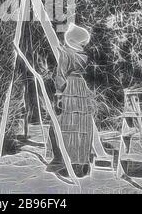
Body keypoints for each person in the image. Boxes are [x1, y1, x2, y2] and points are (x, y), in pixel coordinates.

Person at [46, 24, 93, 178]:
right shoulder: (83, 56)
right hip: (81, 88)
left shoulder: (66, 54)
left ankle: (65, 162)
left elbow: (60, 76)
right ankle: (81, 163)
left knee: (63, 123)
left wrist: (59, 94)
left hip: (69, 88)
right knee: (80, 124)